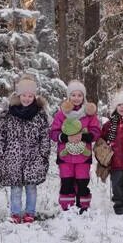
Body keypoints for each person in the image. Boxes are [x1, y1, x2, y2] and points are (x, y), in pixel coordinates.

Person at [0, 74, 50, 223]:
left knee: (31, 187)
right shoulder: (8, 114)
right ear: (19, 95)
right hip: (13, 158)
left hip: (34, 157)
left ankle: (30, 213)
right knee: (16, 188)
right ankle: (15, 214)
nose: (27, 98)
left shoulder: (39, 115)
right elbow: (0, 133)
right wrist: (0, 150)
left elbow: (44, 135)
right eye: (24, 95)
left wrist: (44, 152)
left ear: (34, 96)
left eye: (30, 95)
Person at [50, 79, 101, 213]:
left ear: (83, 97)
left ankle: (83, 207)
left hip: (83, 156)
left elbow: (96, 131)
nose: (76, 98)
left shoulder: (89, 115)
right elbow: (54, 133)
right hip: (65, 156)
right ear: (69, 96)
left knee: (82, 182)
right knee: (66, 182)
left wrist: (83, 136)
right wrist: (66, 137)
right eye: (73, 95)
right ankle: (67, 208)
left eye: (79, 95)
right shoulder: (61, 114)